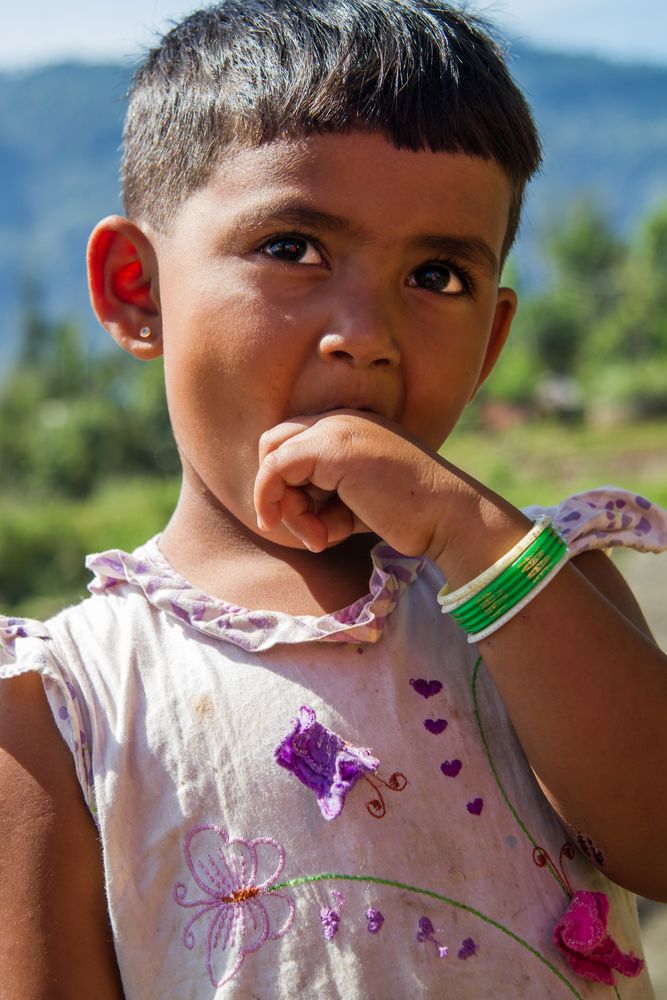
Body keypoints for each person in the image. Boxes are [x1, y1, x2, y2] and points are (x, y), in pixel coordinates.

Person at [1, 1, 666, 996]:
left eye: (436, 274)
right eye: (292, 249)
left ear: (490, 340)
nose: (365, 331)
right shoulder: (64, 704)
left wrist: (466, 527)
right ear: (137, 289)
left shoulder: (535, 586)